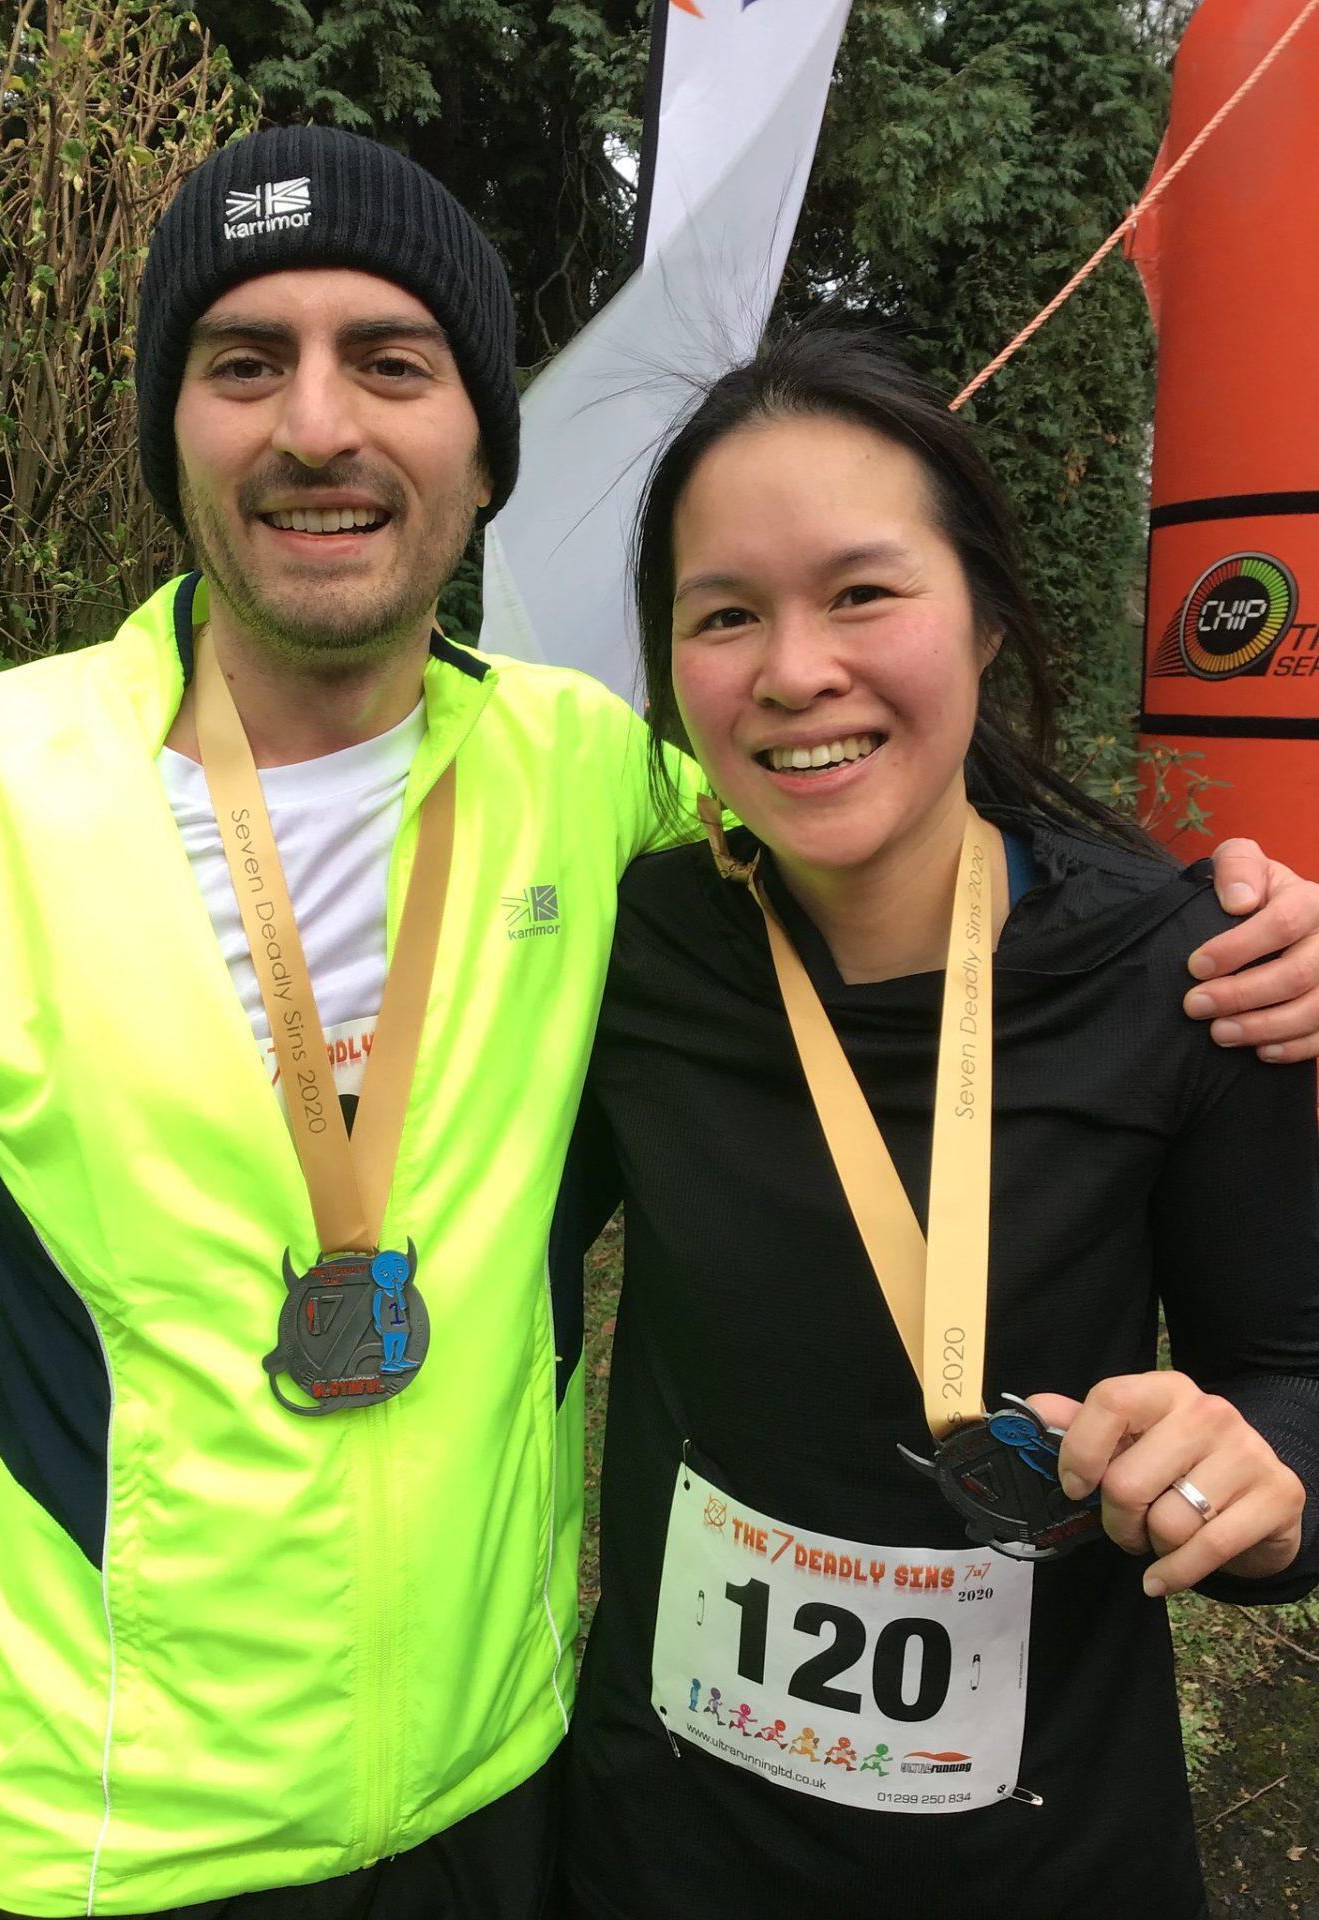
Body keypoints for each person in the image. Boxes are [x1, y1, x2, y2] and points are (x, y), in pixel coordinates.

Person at [0, 127, 1312, 1920]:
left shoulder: (587, 786)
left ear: (486, 449)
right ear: (170, 432)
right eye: (242, 364)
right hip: (102, 1854)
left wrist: (1256, 916)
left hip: (508, 1799)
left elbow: (868, 808)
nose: (316, 424)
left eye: (391, 363)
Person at [557, 323, 1319, 1920]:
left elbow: (1294, 1376)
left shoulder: (1189, 975)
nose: (793, 671)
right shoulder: (635, 950)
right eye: (724, 614)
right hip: (663, 1852)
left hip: (1042, 1865)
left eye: (862, 591)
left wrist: (1264, 1487)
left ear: (984, 616)